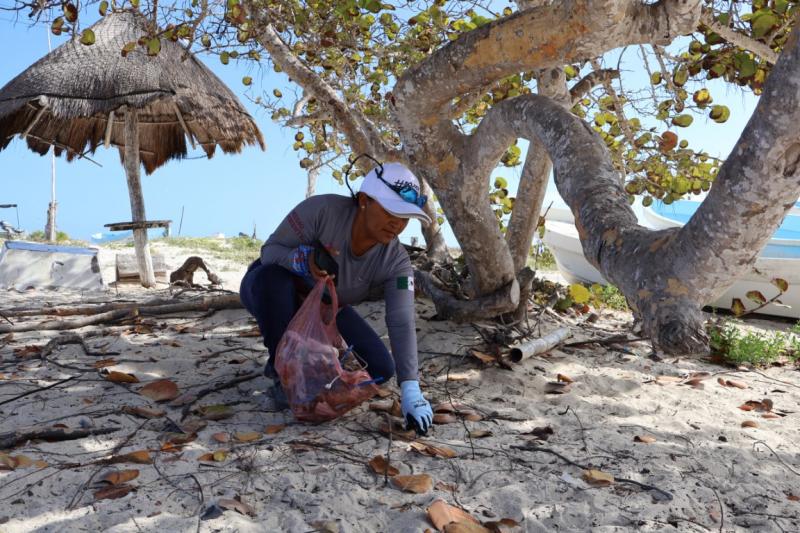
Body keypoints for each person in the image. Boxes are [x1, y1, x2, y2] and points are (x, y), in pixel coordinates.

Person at [239, 157, 434, 434]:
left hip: (327, 306)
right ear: (365, 200)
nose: (398, 225)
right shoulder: (323, 210)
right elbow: (269, 253)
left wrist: (411, 389)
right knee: (274, 280)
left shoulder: (397, 262)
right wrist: (301, 261)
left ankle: (320, 369)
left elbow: (401, 321)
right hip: (270, 291)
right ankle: (282, 372)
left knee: (381, 368)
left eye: (405, 218)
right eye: (391, 212)